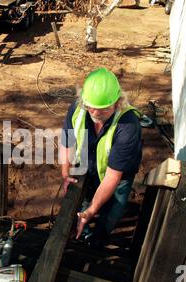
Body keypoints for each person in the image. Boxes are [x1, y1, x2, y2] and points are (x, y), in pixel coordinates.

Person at [60, 68, 142, 248]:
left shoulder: (128, 125)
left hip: (118, 176)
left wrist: (91, 211)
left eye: (103, 110)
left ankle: (99, 239)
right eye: (91, 108)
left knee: (113, 210)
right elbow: (67, 142)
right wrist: (65, 173)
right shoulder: (78, 108)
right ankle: (84, 234)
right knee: (84, 203)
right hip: (89, 167)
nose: (95, 113)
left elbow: (113, 176)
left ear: (117, 103)